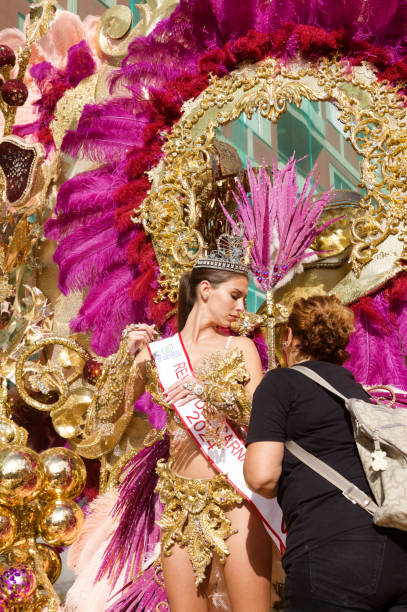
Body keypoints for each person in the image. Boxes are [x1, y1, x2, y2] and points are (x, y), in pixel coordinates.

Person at [66, 232, 284, 612]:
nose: (241, 308)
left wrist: (211, 395)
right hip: (178, 502)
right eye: (235, 296)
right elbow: (104, 419)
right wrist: (124, 358)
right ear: (204, 290)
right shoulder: (159, 354)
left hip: (236, 497)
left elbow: (266, 422)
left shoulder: (242, 348)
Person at [244, 294, 407, 612]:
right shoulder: (357, 392)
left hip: (332, 552)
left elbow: (261, 476)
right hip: (398, 550)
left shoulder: (280, 382)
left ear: (289, 337)